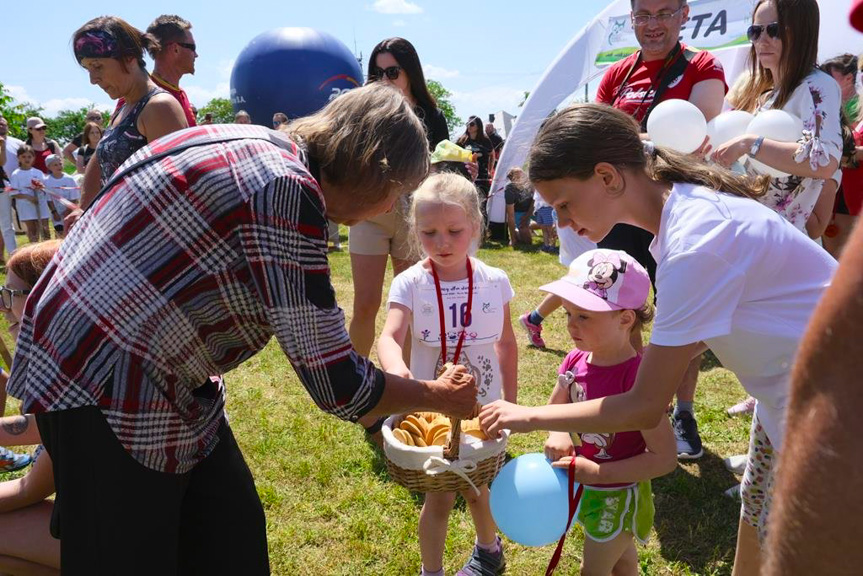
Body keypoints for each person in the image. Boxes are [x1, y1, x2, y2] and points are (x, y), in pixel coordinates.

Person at [6, 82, 478, 575]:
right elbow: (336, 382)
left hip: (146, 370)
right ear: (369, 165)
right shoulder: (285, 188)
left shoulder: (253, 144)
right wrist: (437, 395)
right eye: (395, 192)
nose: (389, 209)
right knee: (134, 554)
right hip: (104, 378)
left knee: (229, 532)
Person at [478, 102, 836, 576]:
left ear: (607, 177)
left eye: (564, 203)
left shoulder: (695, 242)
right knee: (757, 513)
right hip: (791, 399)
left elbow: (644, 406)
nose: (561, 221)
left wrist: (527, 416)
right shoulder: (682, 217)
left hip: (835, 409)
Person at [520, 0, 728, 460]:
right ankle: (627, 404)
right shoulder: (618, 73)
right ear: (631, 19)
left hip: (664, 201)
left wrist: (530, 418)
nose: (652, 24)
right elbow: (592, 136)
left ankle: (679, 412)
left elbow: (697, 134)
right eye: (643, 14)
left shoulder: (702, 65)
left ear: (684, 14)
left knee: (676, 316)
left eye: (663, 13)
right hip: (627, 211)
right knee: (619, 307)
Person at [377, 172, 517, 576]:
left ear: (475, 225)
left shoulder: (495, 281)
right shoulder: (410, 283)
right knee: (437, 498)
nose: (442, 243)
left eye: (454, 231)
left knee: (477, 487)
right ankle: (432, 571)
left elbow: (506, 344)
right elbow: (389, 336)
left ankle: (489, 551)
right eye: (429, 233)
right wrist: (405, 382)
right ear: (414, 231)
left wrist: (510, 399)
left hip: (483, 410)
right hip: (431, 412)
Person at [540, 249, 676, 576]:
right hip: (586, 484)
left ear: (625, 319)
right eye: (568, 314)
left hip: (618, 493)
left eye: (584, 316)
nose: (572, 325)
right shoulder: (575, 361)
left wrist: (599, 475)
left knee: (594, 570)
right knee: (624, 564)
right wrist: (558, 433)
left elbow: (664, 457)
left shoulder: (639, 381)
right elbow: (555, 407)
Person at [348, 37, 450, 369]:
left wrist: (455, 168)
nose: (385, 80)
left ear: (410, 73)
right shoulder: (365, 112)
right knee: (365, 305)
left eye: (393, 71)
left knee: (406, 307)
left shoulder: (432, 116)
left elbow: (440, 167)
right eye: (378, 74)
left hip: (413, 217)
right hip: (370, 213)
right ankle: (355, 388)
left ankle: (401, 388)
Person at [713, 0, 842, 240]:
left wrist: (749, 143)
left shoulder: (817, 86)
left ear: (802, 31)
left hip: (786, 243)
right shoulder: (769, 96)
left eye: (774, 30)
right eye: (755, 31)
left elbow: (826, 161)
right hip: (758, 235)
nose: (762, 40)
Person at [72, 16, 189, 214]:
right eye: (88, 69)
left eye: (97, 66)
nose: (93, 79)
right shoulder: (125, 108)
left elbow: (177, 193)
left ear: (129, 58)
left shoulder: (159, 108)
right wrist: (82, 210)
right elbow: (99, 158)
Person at [0, 240, 63, 575]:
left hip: (124, 538)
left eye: (11, 294)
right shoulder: (74, 358)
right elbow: (38, 425)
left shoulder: (69, 382)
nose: (2, 306)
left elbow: (33, 488)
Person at [114, 15, 198, 128]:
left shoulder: (181, 93)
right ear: (175, 49)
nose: (196, 55)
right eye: (192, 48)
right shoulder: (136, 94)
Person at [9, 146, 55, 242]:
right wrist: (28, 197)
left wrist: (41, 187)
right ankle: (34, 251)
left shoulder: (38, 172)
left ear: (33, 158)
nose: (27, 159)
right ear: (19, 158)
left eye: (29, 157)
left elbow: (45, 187)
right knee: (32, 230)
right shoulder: (16, 174)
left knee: (45, 228)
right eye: (24, 157)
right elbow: (13, 193)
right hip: (25, 205)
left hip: (40, 203)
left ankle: (47, 249)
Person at [456, 116, 494, 221]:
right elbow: (455, 155)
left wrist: (490, 169)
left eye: (472, 124)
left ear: (478, 126)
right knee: (466, 203)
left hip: (482, 177)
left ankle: (483, 230)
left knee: (482, 203)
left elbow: (492, 154)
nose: (469, 126)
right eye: (467, 124)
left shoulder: (485, 140)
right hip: (466, 176)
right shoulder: (462, 140)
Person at [0, 114, 21, 259]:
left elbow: (2, 162)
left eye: (2, 122)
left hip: (3, 187)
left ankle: (13, 257)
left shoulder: (11, 143)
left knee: (7, 225)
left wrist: (1, 146)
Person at [43, 155, 79, 238]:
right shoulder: (47, 181)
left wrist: (68, 211)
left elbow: (74, 197)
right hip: (57, 214)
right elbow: (49, 199)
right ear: (49, 167)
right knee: (59, 233)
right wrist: (54, 212)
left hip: (69, 212)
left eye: (60, 164)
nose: (59, 166)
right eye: (55, 165)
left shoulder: (69, 179)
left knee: (69, 233)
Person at [503, 167, 533, 246]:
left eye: (521, 173)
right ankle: (517, 232)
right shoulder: (510, 189)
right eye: (517, 174)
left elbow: (535, 200)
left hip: (533, 210)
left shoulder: (529, 184)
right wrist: (512, 239)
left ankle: (530, 227)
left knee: (547, 222)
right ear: (512, 177)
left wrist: (528, 216)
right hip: (520, 213)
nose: (521, 175)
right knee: (528, 242)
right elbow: (511, 215)